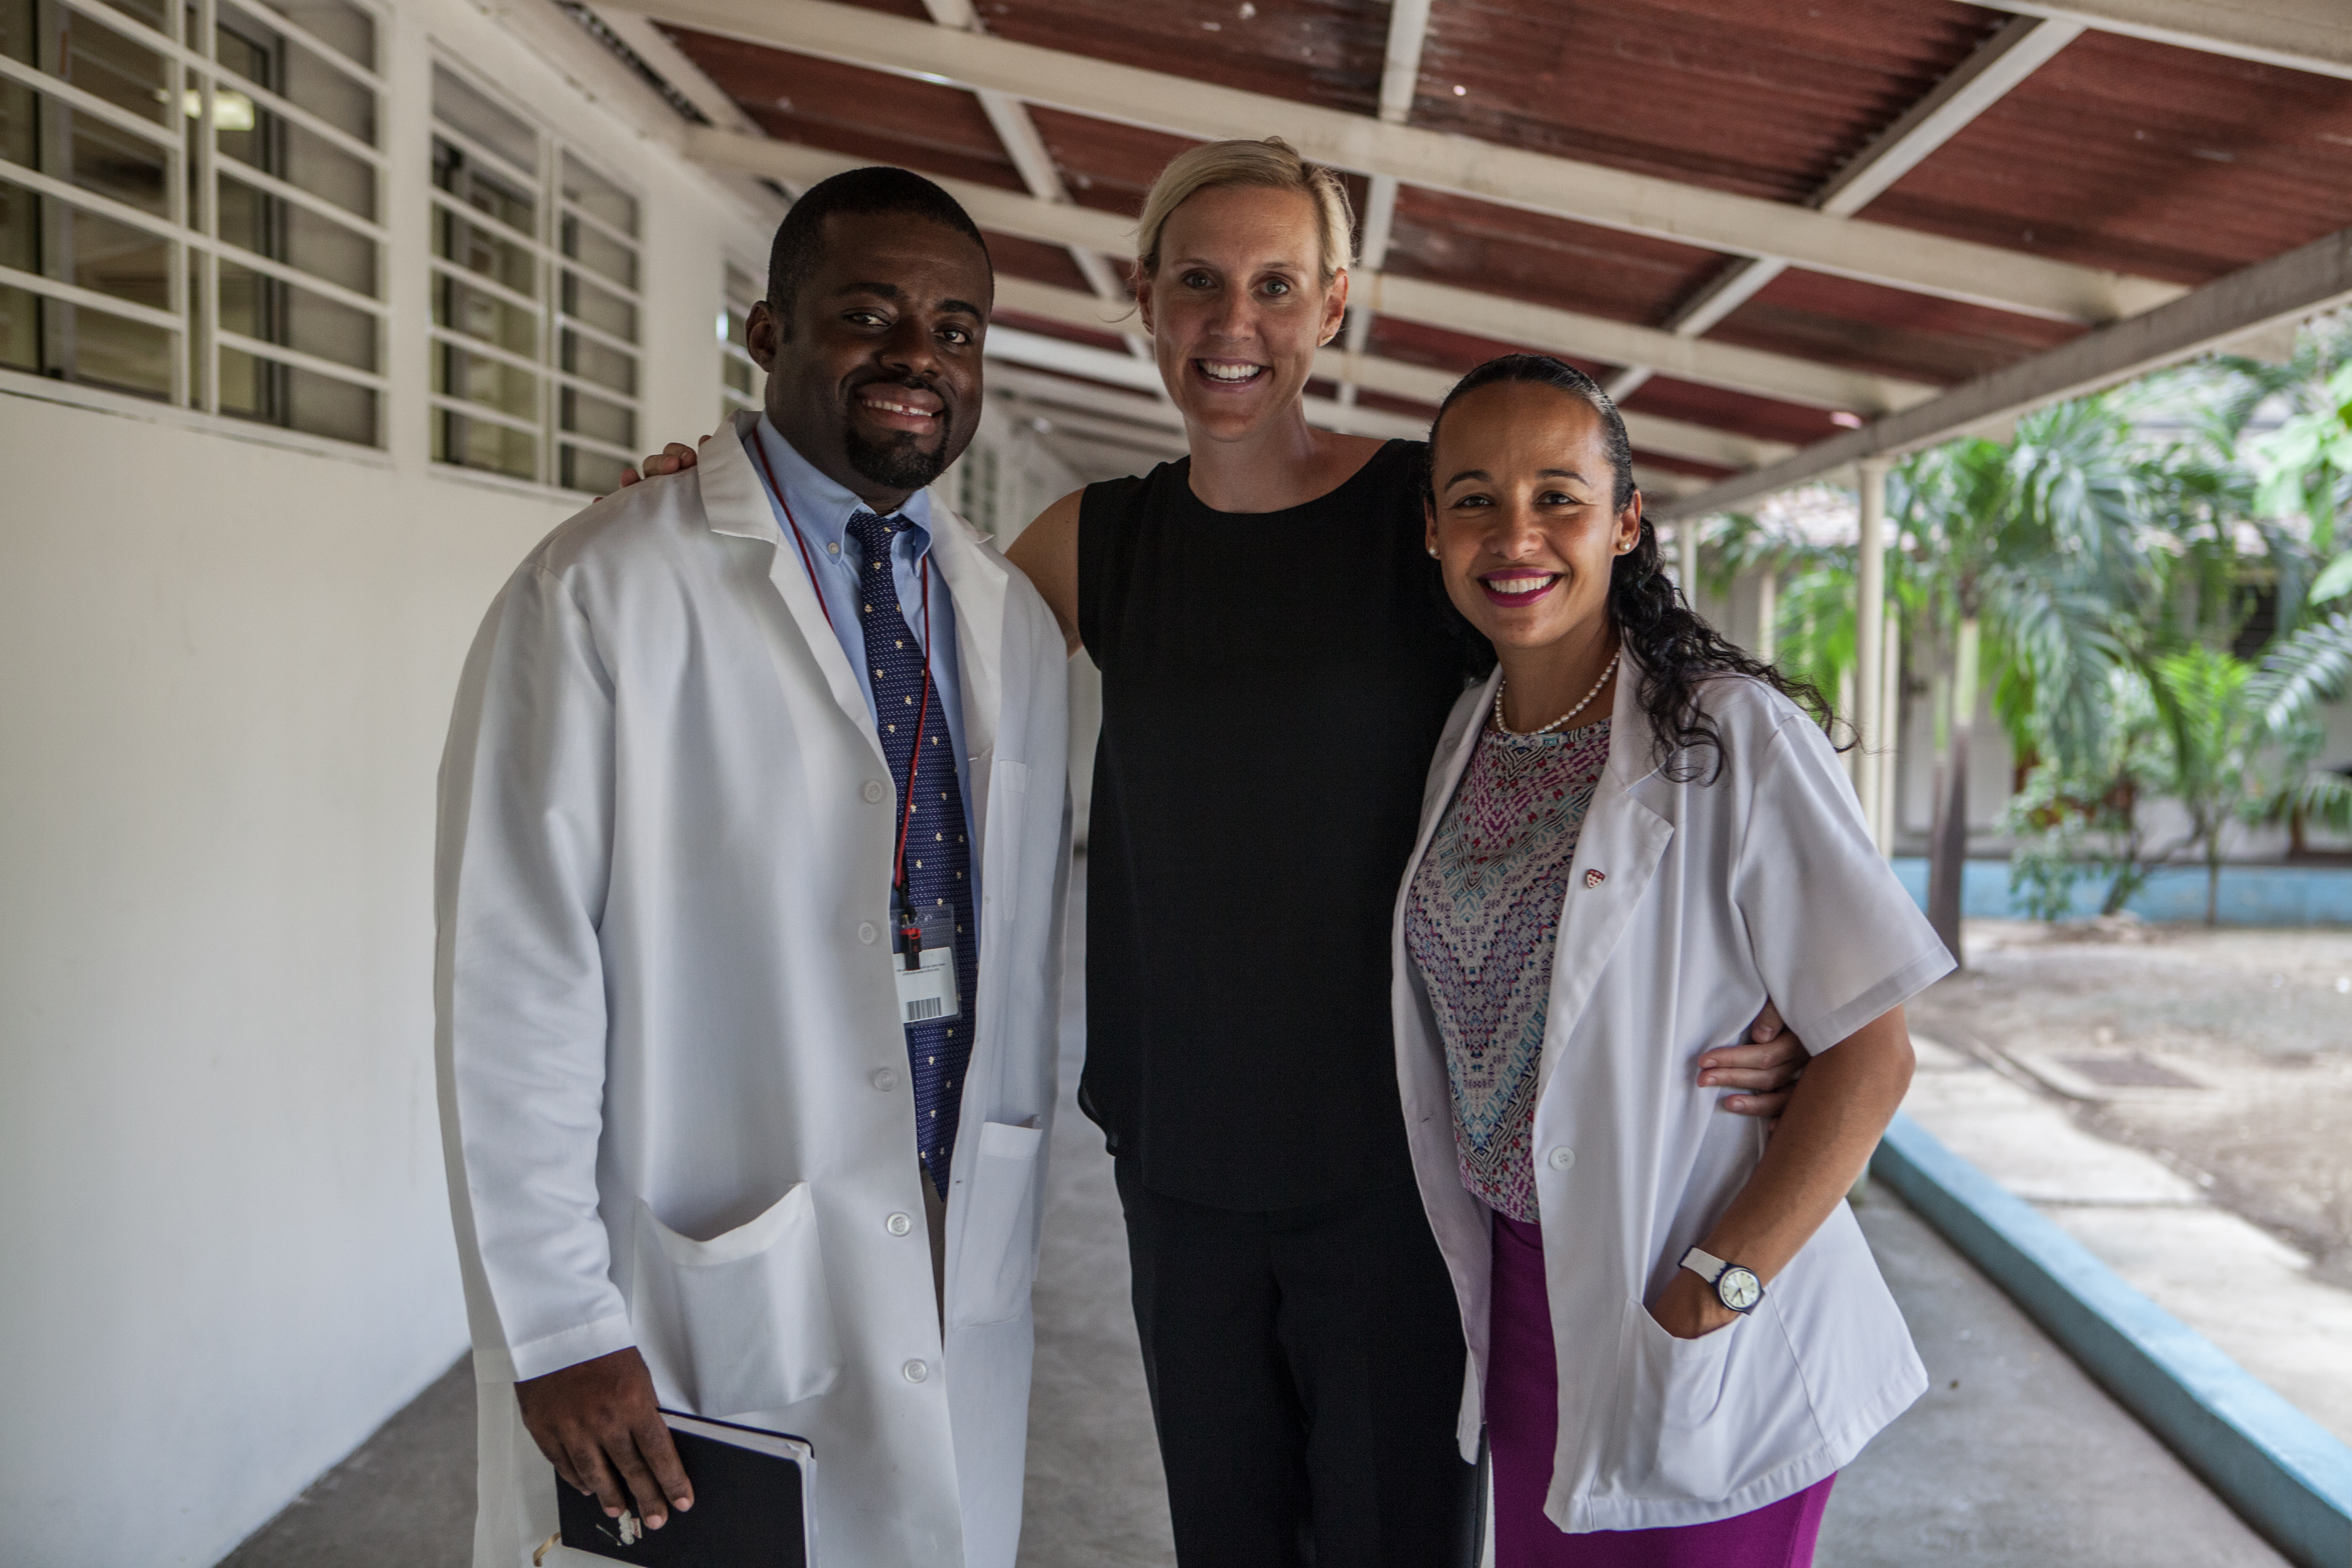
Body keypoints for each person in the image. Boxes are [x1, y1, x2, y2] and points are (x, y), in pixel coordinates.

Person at [627, 137, 1806, 1568]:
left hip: (1400, 1156)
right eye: (1196, 283)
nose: (1230, 324)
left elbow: (1625, 727)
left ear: (1333, 306)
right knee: (1227, 1536)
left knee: (1391, 1540)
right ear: (1145, 299)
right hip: (1178, 1149)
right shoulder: (1096, 542)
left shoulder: (1425, 519)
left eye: (1272, 286)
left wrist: (1781, 997)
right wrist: (726, 512)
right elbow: (865, 657)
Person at [434, 167, 1071, 1568]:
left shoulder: (1005, 617)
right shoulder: (607, 587)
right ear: (769, 332)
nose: (919, 359)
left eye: (957, 330)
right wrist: (557, 1324)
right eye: (869, 314)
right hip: (699, 1274)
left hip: (954, 1218)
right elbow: (516, 975)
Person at [1398, 353, 1950, 1565]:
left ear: (1626, 521)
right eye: (1477, 498)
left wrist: (1715, 1290)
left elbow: (1873, 1051)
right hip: (1533, 1305)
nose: (1517, 533)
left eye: (1560, 494)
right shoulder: (1465, 734)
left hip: (1698, 1299)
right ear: (1434, 530)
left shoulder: (1727, 736)